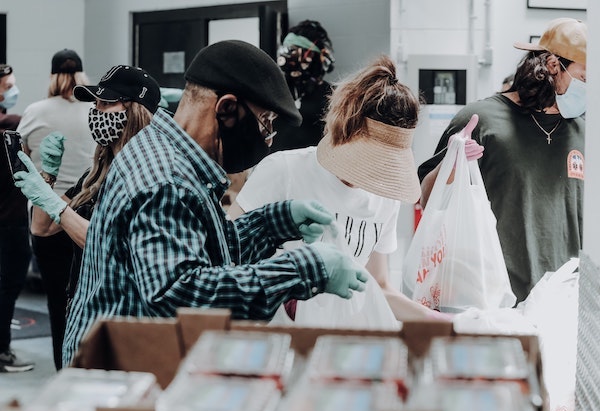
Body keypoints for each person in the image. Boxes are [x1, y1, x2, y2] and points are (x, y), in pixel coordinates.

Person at [60, 40, 368, 367]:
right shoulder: (168, 180)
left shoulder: (170, 154)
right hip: (117, 376)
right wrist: (304, 269)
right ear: (227, 109)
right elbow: (184, 296)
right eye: (266, 123)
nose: (269, 138)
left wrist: (276, 221)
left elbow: (206, 252)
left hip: (128, 358)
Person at [228, 54, 449, 323]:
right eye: (369, 157)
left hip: (341, 342)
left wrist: (440, 321)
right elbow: (228, 255)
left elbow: (378, 287)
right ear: (345, 131)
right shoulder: (283, 171)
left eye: (384, 163)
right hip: (276, 338)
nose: (371, 172)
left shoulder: (384, 198)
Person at [418, 17, 587, 303]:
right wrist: (453, 164)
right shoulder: (480, 121)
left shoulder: (583, 132)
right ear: (554, 65)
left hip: (563, 301)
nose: (590, 88)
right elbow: (427, 200)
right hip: (491, 299)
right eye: (585, 77)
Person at [13, 64, 158, 370]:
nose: (96, 111)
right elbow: (42, 227)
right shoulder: (97, 172)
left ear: (135, 110)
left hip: (121, 316)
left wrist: (56, 204)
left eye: (106, 103)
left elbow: (107, 244)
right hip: (85, 306)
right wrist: (48, 176)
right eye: (95, 103)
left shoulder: (147, 175)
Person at [15, 49, 96, 370]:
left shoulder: (34, 112)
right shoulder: (94, 110)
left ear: (52, 76)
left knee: (55, 300)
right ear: (81, 76)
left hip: (45, 212)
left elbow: (19, 158)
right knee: (86, 297)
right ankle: (86, 366)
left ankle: (63, 370)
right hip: (86, 215)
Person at [0, 63, 34, 372]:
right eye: (8, 85)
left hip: (11, 218)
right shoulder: (11, 123)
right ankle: (2, 351)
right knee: (8, 286)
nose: (12, 90)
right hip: (9, 222)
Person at [272, 19, 335, 153]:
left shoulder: (332, 96)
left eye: (294, 51)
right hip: (275, 167)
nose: (288, 57)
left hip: (313, 168)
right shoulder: (273, 91)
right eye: (287, 50)